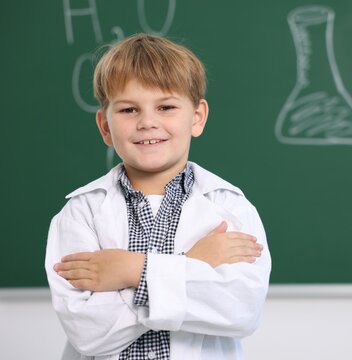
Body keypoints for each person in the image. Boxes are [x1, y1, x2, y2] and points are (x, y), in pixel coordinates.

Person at [45, 33, 271, 360]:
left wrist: (131, 270)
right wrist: (192, 265)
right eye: (128, 110)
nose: (148, 122)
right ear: (105, 127)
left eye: (165, 107)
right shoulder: (81, 212)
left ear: (197, 117)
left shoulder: (229, 207)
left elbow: (240, 311)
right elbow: (88, 332)